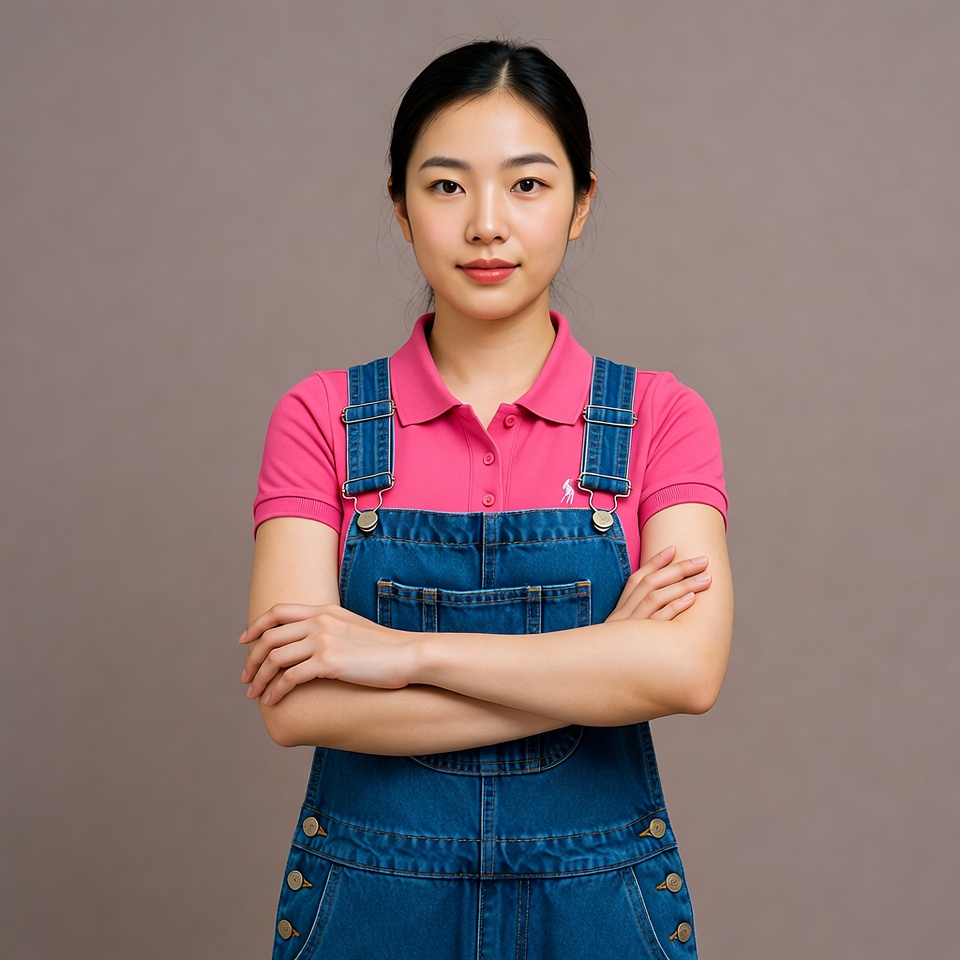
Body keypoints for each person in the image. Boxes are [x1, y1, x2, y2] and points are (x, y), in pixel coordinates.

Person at [241, 38, 733, 959]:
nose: (488, 226)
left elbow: (686, 674)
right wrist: (602, 669)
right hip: (370, 915)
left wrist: (401, 655)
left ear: (583, 203)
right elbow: (297, 706)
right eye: (447, 186)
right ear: (400, 208)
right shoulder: (321, 418)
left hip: (596, 916)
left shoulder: (663, 417)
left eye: (529, 184)